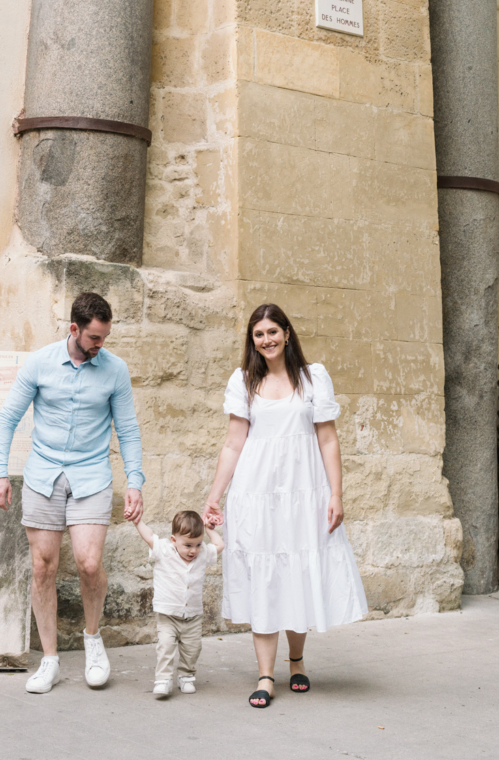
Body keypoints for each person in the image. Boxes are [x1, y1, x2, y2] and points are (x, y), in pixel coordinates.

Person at [201, 302, 367, 708]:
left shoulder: (313, 379)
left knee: (296, 573)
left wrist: (336, 493)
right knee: (264, 577)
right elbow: (233, 443)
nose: (266, 340)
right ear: (252, 341)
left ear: (287, 334)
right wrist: (213, 497)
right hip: (255, 494)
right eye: (258, 334)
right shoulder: (242, 381)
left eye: (272, 332)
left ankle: (296, 662)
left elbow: (327, 439)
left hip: (303, 493)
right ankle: (263, 675)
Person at [0, 290, 144, 694]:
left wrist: (135, 481)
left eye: (105, 338)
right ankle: (51, 660)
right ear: (74, 329)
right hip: (43, 476)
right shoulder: (40, 363)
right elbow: (7, 419)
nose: (100, 346)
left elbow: (127, 429)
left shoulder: (115, 370)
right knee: (43, 567)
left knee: (89, 564)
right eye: (94, 338)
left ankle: (93, 640)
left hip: (91, 476)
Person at [132, 509, 223, 698]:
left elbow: (219, 544)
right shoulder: (164, 550)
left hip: (193, 616)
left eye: (198, 544)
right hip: (168, 614)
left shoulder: (203, 553)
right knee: (165, 646)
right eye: (188, 545)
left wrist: (209, 528)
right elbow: (149, 536)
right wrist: (137, 521)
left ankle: (186, 676)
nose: (194, 550)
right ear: (174, 540)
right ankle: (163, 679)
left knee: (192, 648)